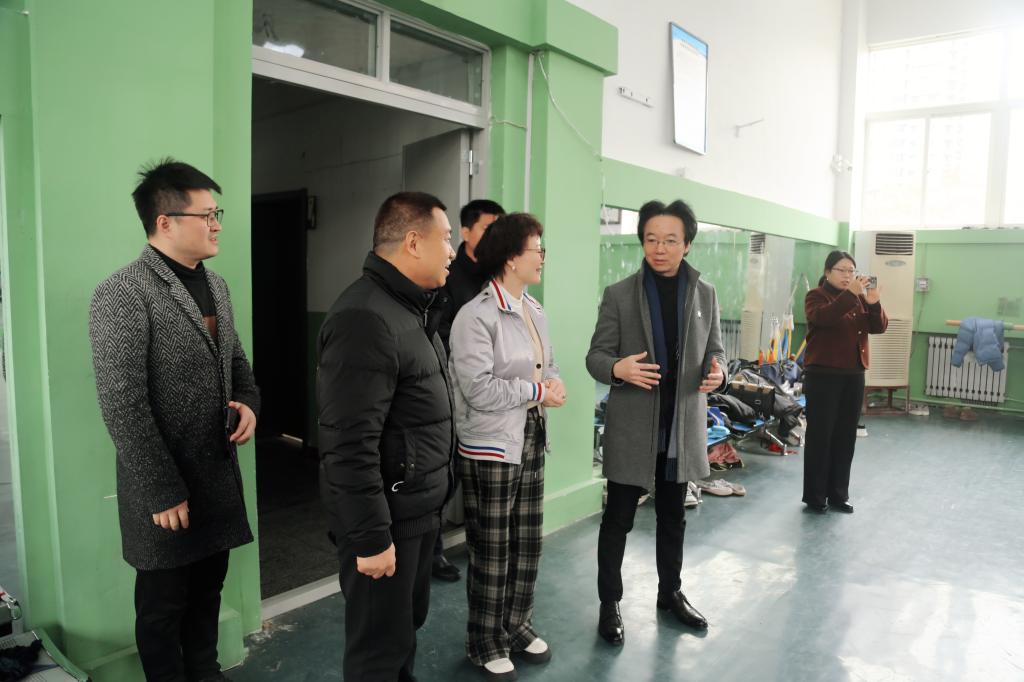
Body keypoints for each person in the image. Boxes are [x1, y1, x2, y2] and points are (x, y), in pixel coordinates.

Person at [89, 159, 260, 682]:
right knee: (163, 607)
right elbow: (122, 403)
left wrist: (248, 401)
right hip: (165, 486)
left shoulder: (218, 286)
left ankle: (206, 673)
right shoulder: (123, 292)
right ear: (164, 221)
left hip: (216, 475)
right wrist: (162, 490)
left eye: (216, 213)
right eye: (207, 215)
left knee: (209, 590)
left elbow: (236, 363)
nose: (217, 225)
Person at [317, 191, 457, 681]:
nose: (453, 251)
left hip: (414, 512)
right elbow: (347, 445)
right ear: (414, 242)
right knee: (377, 652)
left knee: (402, 636)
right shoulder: (365, 318)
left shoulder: (410, 309)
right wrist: (372, 537)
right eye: (446, 239)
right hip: (387, 522)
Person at [586, 199, 726, 645]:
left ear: (687, 244)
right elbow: (595, 357)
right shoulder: (619, 294)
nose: (659, 249)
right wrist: (617, 368)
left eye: (669, 240)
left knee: (673, 518)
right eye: (651, 239)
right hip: (633, 428)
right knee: (617, 520)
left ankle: (671, 594)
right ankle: (610, 603)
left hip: (680, 429)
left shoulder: (705, 294)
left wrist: (719, 372)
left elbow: (717, 351)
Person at [449, 213, 565, 681]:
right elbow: (478, 388)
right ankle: (485, 640)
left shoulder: (534, 309)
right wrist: (537, 392)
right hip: (491, 446)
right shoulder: (475, 316)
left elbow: (548, 364)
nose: (542, 257)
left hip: (531, 435)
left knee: (528, 542)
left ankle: (516, 624)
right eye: (537, 249)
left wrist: (553, 383)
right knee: (492, 550)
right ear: (512, 258)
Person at [432, 199, 506, 582]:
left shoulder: (499, 273)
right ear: (465, 232)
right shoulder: (446, 274)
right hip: (452, 389)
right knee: (446, 474)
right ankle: (433, 551)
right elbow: (437, 332)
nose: (495, 236)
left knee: (479, 475)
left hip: (493, 393)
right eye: (487, 229)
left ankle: (480, 546)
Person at [802, 250, 887, 513]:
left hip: (853, 375)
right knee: (821, 436)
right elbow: (823, 318)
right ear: (828, 272)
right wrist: (851, 294)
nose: (848, 275)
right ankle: (816, 496)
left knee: (845, 437)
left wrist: (873, 303)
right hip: (823, 376)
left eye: (852, 271)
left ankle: (839, 494)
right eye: (842, 270)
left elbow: (878, 327)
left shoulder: (859, 298)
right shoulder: (816, 296)